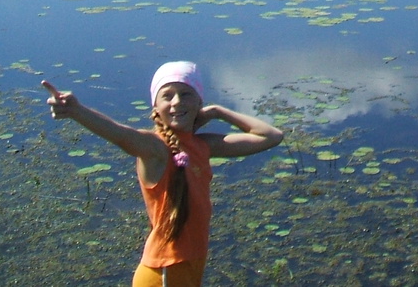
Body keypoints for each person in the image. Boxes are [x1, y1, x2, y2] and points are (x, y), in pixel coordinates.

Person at [43, 61, 284, 287]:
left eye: (186, 94)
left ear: (199, 102)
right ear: (156, 107)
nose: (177, 102)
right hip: (164, 271)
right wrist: (77, 111)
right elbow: (122, 135)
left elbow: (271, 136)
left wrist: (219, 111)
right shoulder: (156, 149)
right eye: (167, 96)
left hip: (190, 263)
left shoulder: (203, 146)